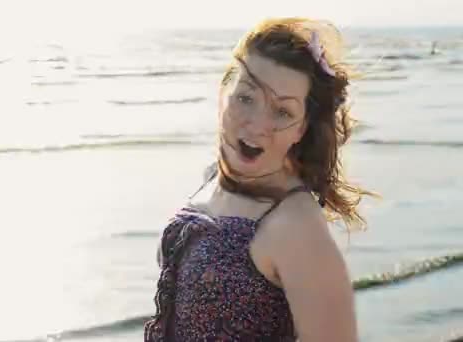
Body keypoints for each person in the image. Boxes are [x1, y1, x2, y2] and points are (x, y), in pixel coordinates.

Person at [144, 17, 377, 341]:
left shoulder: (296, 226)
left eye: (282, 112)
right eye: (245, 98)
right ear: (223, 90)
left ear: (301, 128)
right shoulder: (212, 177)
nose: (256, 124)